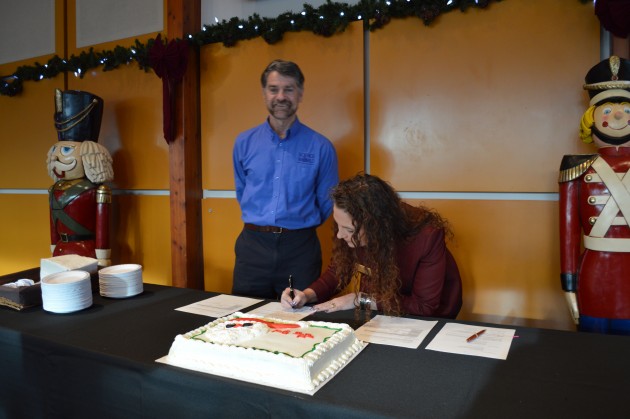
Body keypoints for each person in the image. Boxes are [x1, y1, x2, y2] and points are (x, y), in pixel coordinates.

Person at [281, 173, 462, 318]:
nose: (339, 235)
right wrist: (306, 295)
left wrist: (360, 299)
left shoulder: (427, 236)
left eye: (349, 230)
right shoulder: (354, 226)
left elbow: (424, 306)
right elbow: (338, 269)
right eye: (338, 226)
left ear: (376, 227)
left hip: (430, 319)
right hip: (385, 312)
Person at [232, 59, 339, 299]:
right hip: (252, 249)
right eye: (273, 89)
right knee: (244, 323)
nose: (281, 96)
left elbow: (326, 201)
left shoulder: (321, 147)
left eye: (288, 89)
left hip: (299, 250)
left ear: (300, 93)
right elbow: (242, 191)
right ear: (264, 93)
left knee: (301, 323)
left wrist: (296, 224)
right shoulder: (243, 143)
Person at [559, 55, 630, 335]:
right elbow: (568, 235)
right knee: (593, 352)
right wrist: (568, 284)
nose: (616, 115)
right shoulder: (576, 168)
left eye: (625, 108)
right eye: (608, 108)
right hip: (593, 274)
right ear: (591, 118)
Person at [47, 89, 114, 267]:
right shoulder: (54, 189)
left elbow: (102, 227)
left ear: (90, 155)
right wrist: (53, 246)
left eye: (66, 151)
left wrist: (103, 256)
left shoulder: (98, 190)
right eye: (55, 150)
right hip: (59, 252)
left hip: (87, 253)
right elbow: (53, 225)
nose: (55, 157)